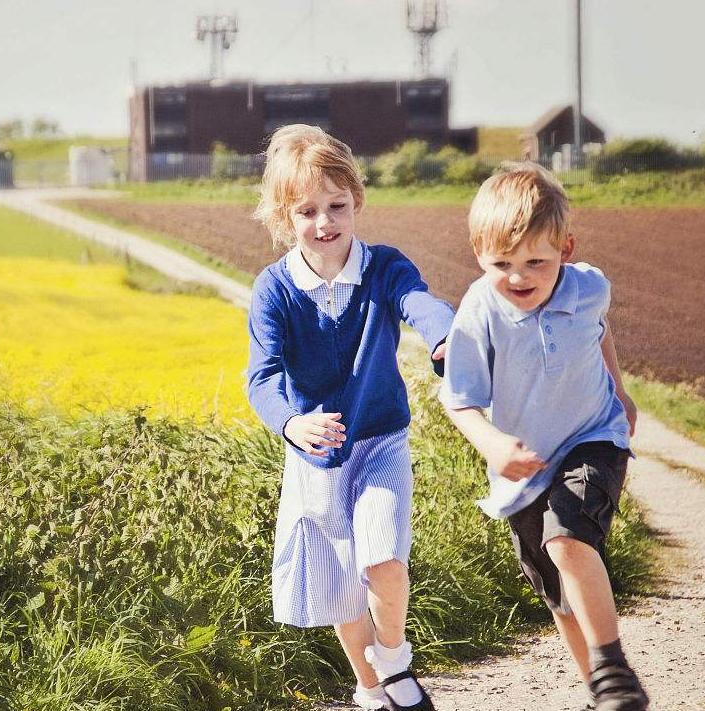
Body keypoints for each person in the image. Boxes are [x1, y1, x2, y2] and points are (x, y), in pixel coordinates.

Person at [246, 124, 454, 711]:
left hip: (381, 437)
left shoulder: (384, 267)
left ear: (356, 199)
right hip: (318, 454)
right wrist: (291, 424)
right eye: (307, 211)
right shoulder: (274, 291)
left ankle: (392, 661)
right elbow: (261, 378)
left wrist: (443, 337)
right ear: (285, 217)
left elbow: (421, 302)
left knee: (383, 560)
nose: (324, 223)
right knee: (341, 588)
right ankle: (370, 690)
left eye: (336, 206)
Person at [438, 163, 648, 711]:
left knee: (567, 538)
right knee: (556, 593)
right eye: (501, 264)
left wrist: (620, 394)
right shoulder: (477, 314)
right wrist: (492, 445)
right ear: (478, 255)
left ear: (567, 249)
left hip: (593, 437)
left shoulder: (590, 287)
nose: (519, 277)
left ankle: (614, 670)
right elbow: (458, 400)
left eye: (537, 261)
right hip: (523, 468)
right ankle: (601, 694)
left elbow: (598, 336)